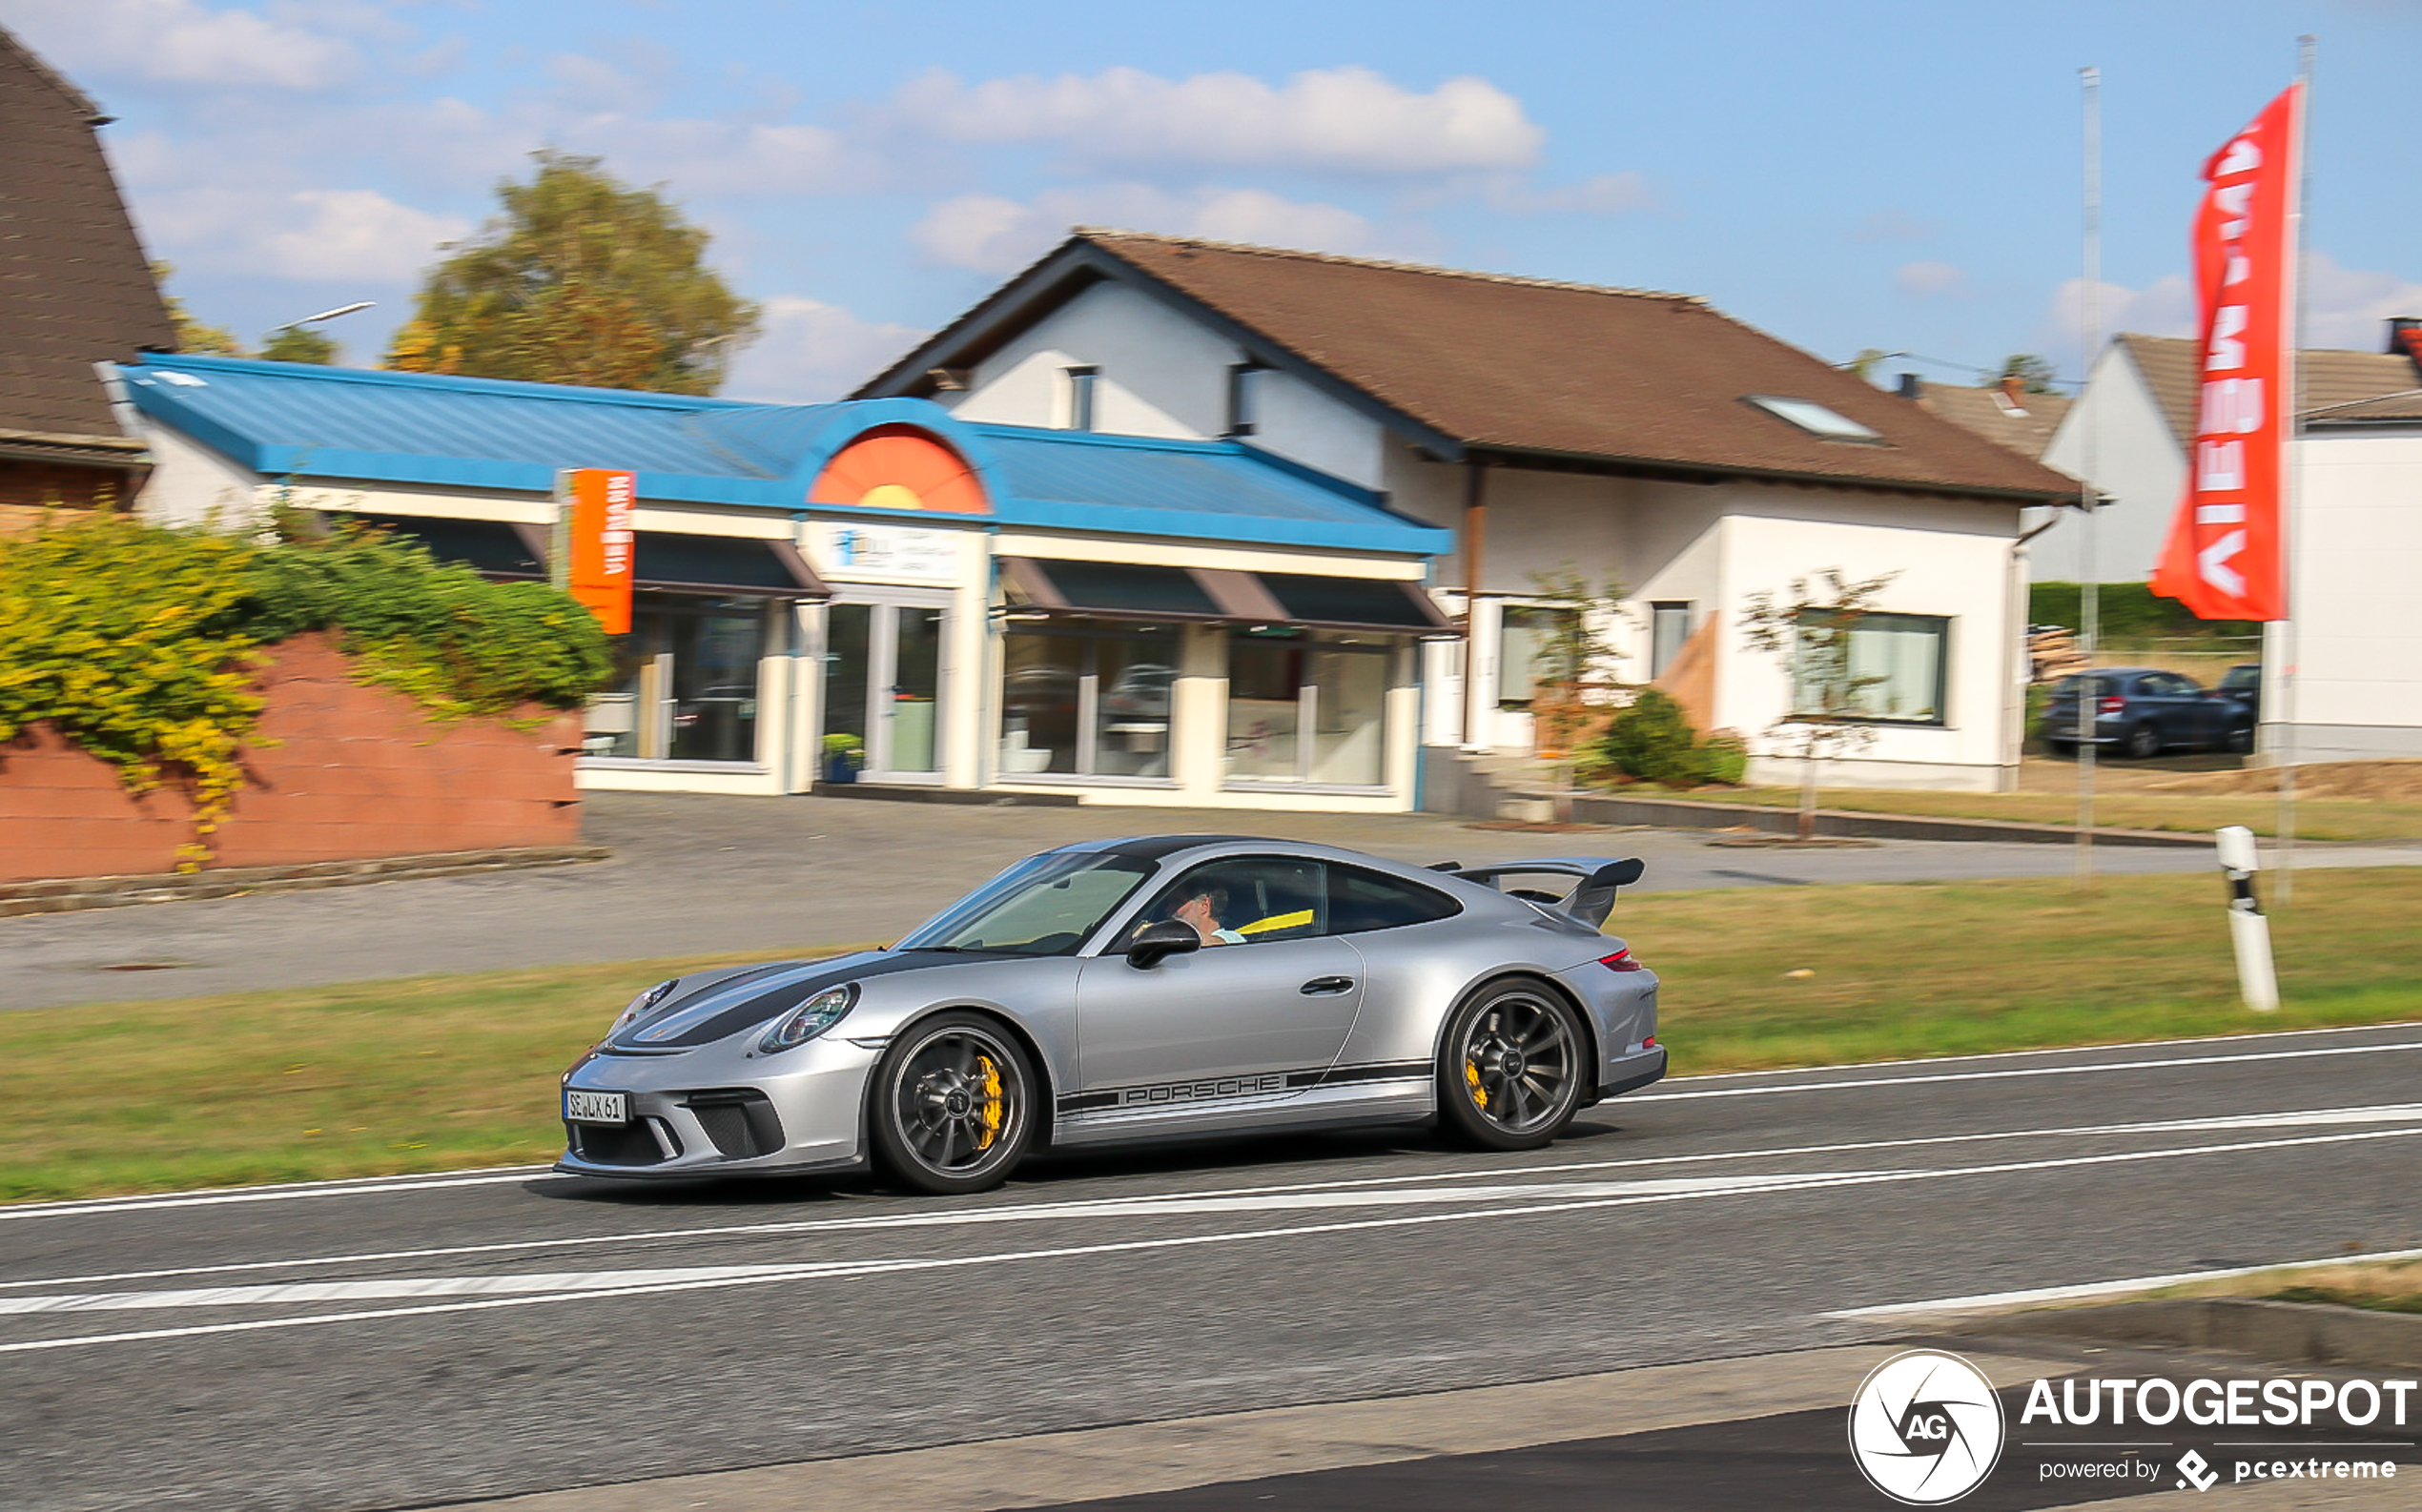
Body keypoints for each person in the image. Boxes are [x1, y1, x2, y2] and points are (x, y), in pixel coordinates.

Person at [1172, 884, 1246, 946]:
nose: (1168, 909)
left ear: (1204, 906)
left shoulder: (1233, 939)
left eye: (1177, 902)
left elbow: (1219, 943)